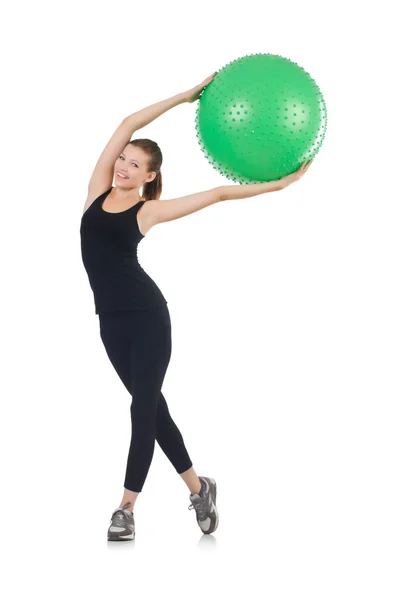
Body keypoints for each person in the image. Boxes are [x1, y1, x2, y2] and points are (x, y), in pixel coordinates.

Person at [79, 72, 313, 542]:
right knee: (153, 411)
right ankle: (199, 487)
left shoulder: (146, 210)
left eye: (134, 164)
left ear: (149, 178)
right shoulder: (96, 193)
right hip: (110, 325)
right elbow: (127, 122)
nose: (123, 165)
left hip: (148, 320)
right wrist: (185, 96)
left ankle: (125, 509)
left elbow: (218, 194)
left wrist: (278, 186)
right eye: (122, 158)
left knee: (142, 409)